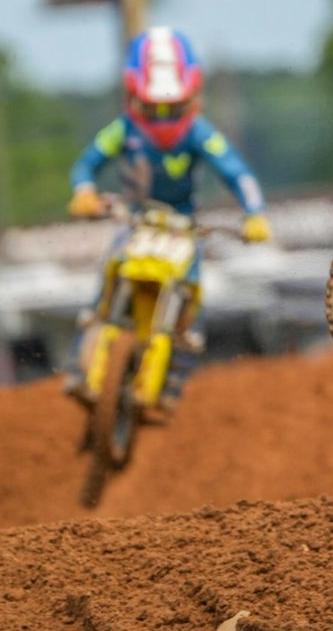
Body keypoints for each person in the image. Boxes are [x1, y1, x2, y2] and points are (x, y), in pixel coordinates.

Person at [64, 25, 271, 405]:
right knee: (106, 279)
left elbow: (237, 172)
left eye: (172, 108)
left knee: (192, 298)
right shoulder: (122, 130)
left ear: (191, 96)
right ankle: (82, 362)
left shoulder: (199, 133)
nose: (162, 119)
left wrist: (254, 213)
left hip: (182, 223)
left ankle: (174, 379)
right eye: (153, 108)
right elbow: (87, 163)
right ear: (133, 95)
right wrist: (84, 192)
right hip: (136, 217)